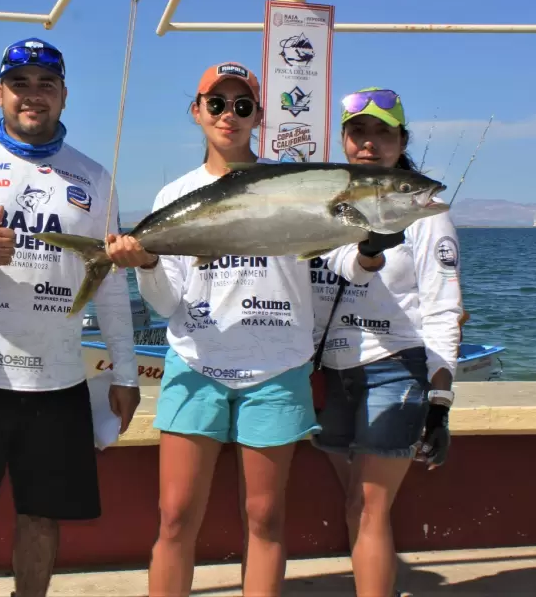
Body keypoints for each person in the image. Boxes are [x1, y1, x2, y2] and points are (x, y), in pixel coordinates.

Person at [0, 37, 142, 597]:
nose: (32, 96)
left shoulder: (94, 176)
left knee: (43, 518)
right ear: (0, 92)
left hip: (58, 381)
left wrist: (127, 372)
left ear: (64, 94)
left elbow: (109, 282)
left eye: (46, 84)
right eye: (20, 84)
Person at [105, 62, 321, 597]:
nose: (230, 115)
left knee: (266, 517)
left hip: (278, 365)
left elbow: (335, 249)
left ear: (258, 115)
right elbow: (167, 305)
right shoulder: (173, 197)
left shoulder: (294, 186)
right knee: (176, 517)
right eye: (217, 103)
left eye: (242, 105)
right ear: (197, 110)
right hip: (196, 364)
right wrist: (147, 265)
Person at [309, 87, 463, 597]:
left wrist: (439, 401)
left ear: (402, 141)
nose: (369, 144)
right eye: (359, 132)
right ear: (344, 139)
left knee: (367, 506)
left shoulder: (426, 208)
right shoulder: (326, 199)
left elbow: (442, 309)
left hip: (394, 368)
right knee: (354, 502)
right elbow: (326, 271)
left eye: (383, 133)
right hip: (330, 371)